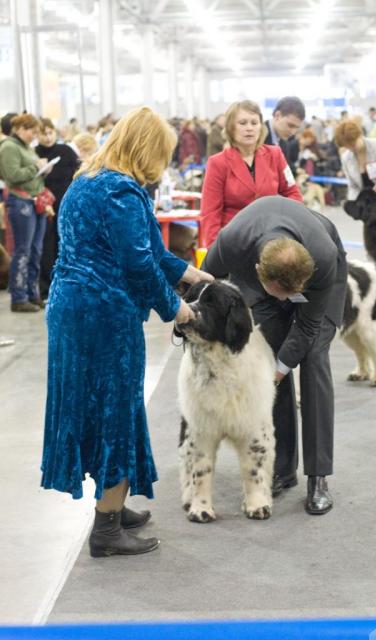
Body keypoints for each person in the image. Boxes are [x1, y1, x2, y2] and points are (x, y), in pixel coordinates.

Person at [40, 106, 214, 558]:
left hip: (71, 309)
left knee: (98, 408)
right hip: (103, 315)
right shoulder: (122, 191)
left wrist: (192, 275)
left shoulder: (87, 180)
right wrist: (178, 309)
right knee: (116, 409)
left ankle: (112, 505)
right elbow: (138, 265)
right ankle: (107, 529)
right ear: (148, 149)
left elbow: (151, 251)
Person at [202, 195, 347, 515]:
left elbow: (308, 329)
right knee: (269, 352)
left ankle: (318, 475)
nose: (293, 300)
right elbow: (203, 285)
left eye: (296, 294)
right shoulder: (231, 242)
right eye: (286, 296)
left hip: (322, 267)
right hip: (258, 266)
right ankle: (281, 468)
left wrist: (279, 372)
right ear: (258, 274)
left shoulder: (321, 260)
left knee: (313, 359)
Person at [201, 99, 303, 248]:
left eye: (254, 123)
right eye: (242, 123)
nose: (249, 128)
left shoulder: (275, 154)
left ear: (260, 127)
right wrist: (215, 250)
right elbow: (210, 212)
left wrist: (285, 222)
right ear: (230, 128)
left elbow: (293, 194)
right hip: (234, 241)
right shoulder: (217, 163)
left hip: (273, 236)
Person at [0, 113, 52, 312]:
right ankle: (19, 297)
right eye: (32, 130)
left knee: (36, 250)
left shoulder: (25, 147)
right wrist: (35, 167)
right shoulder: (9, 147)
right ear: (20, 128)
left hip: (34, 201)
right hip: (20, 202)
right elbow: (12, 176)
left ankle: (33, 293)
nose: (34, 135)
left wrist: (42, 169)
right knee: (23, 250)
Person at [36, 118, 79, 298]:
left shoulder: (66, 151)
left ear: (55, 132)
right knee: (46, 246)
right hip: (45, 207)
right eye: (43, 133)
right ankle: (46, 287)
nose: (47, 137)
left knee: (66, 244)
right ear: (37, 135)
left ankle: (68, 285)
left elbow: (77, 174)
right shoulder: (34, 153)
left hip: (66, 204)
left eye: (50, 132)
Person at [264, 96, 305, 175]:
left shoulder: (284, 141)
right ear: (277, 116)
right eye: (290, 125)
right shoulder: (256, 136)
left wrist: (296, 171)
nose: (293, 132)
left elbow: (285, 165)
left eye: (296, 128)